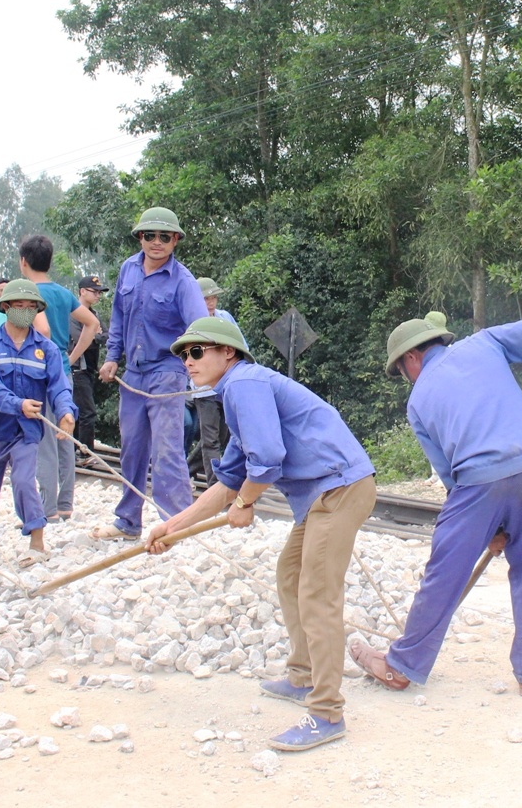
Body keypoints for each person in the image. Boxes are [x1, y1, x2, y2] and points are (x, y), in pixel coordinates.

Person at [350, 312, 522, 694]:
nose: (407, 378)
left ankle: (403, 665)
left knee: (444, 572)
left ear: (411, 359)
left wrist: (487, 528)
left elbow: (449, 477)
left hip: (476, 480)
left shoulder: (418, 400)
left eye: (402, 370)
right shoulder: (484, 342)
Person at [148, 317, 376, 752]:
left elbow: (267, 460)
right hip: (322, 495)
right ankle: (303, 675)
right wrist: (172, 528)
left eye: (197, 352)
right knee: (290, 576)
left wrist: (245, 504)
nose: (188, 362)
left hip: (339, 489)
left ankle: (327, 712)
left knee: (317, 592)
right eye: (184, 356)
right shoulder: (239, 395)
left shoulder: (244, 384)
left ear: (227, 352)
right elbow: (229, 482)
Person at [94, 208, 208, 539]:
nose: (156, 242)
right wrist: (112, 357)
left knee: (166, 448)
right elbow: (117, 318)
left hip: (167, 371)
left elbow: (199, 329)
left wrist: (194, 366)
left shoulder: (183, 282)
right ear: (140, 238)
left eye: (164, 237)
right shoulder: (128, 270)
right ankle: (128, 521)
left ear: (175, 240)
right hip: (134, 373)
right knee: (132, 447)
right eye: (149, 236)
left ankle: (178, 524)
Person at [0, 279, 76, 571]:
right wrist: (18, 405)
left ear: (37, 309)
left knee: (24, 481)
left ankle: (37, 542)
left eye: (30, 306)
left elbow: (59, 387)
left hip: (27, 432)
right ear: (6, 307)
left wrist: (66, 412)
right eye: (18, 306)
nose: (24, 311)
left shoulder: (46, 349)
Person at [20, 235, 101, 523]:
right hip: (63, 373)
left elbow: (39, 331)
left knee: (44, 441)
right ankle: (65, 504)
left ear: (23, 262)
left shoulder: (25, 293)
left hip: (37, 374)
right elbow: (93, 323)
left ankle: (47, 509)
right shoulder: (63, 294)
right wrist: (71, 356)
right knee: (65, 436)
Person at [186, 276, 241, 483]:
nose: (210, 302)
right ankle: (215, 484)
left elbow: (240, 345)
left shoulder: (224, 318)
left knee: (224, 436)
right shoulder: (193, 323)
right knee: (210, 440)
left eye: (213, 298)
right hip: (204, 389)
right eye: (206, 298)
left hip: (226, 386)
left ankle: (186, 470)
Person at [71, 275, 107, 454]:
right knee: (87, 412)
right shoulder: (72, 314)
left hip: (90, 369)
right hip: (77, 368)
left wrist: (96, 335)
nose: (98, 296)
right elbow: (82, 340)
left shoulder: (94, 315)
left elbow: (105, 336)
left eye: (100, 293)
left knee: (80, 412)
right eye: (95, 292)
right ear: (82, 291)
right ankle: (84, 452)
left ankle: (75, 450)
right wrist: (95, 334)